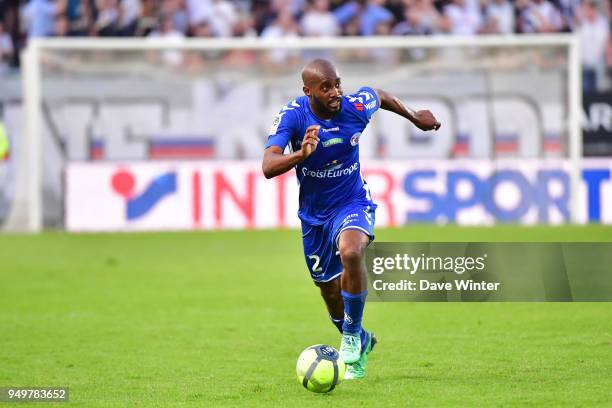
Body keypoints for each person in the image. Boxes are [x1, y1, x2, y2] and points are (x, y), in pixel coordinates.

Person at [261, 59, 440, 379]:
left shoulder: (355, 107)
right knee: (329, 291)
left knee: (352, 251)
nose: (336, 92)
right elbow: (268, 165)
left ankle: (352, 337)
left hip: (352, 201)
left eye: (337, 84)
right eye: (326, 87)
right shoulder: (294, 116)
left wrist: (414, 117)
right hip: (315, 217)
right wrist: (300, 155)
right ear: (308, 91)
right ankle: (361, 339)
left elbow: (379, 95)